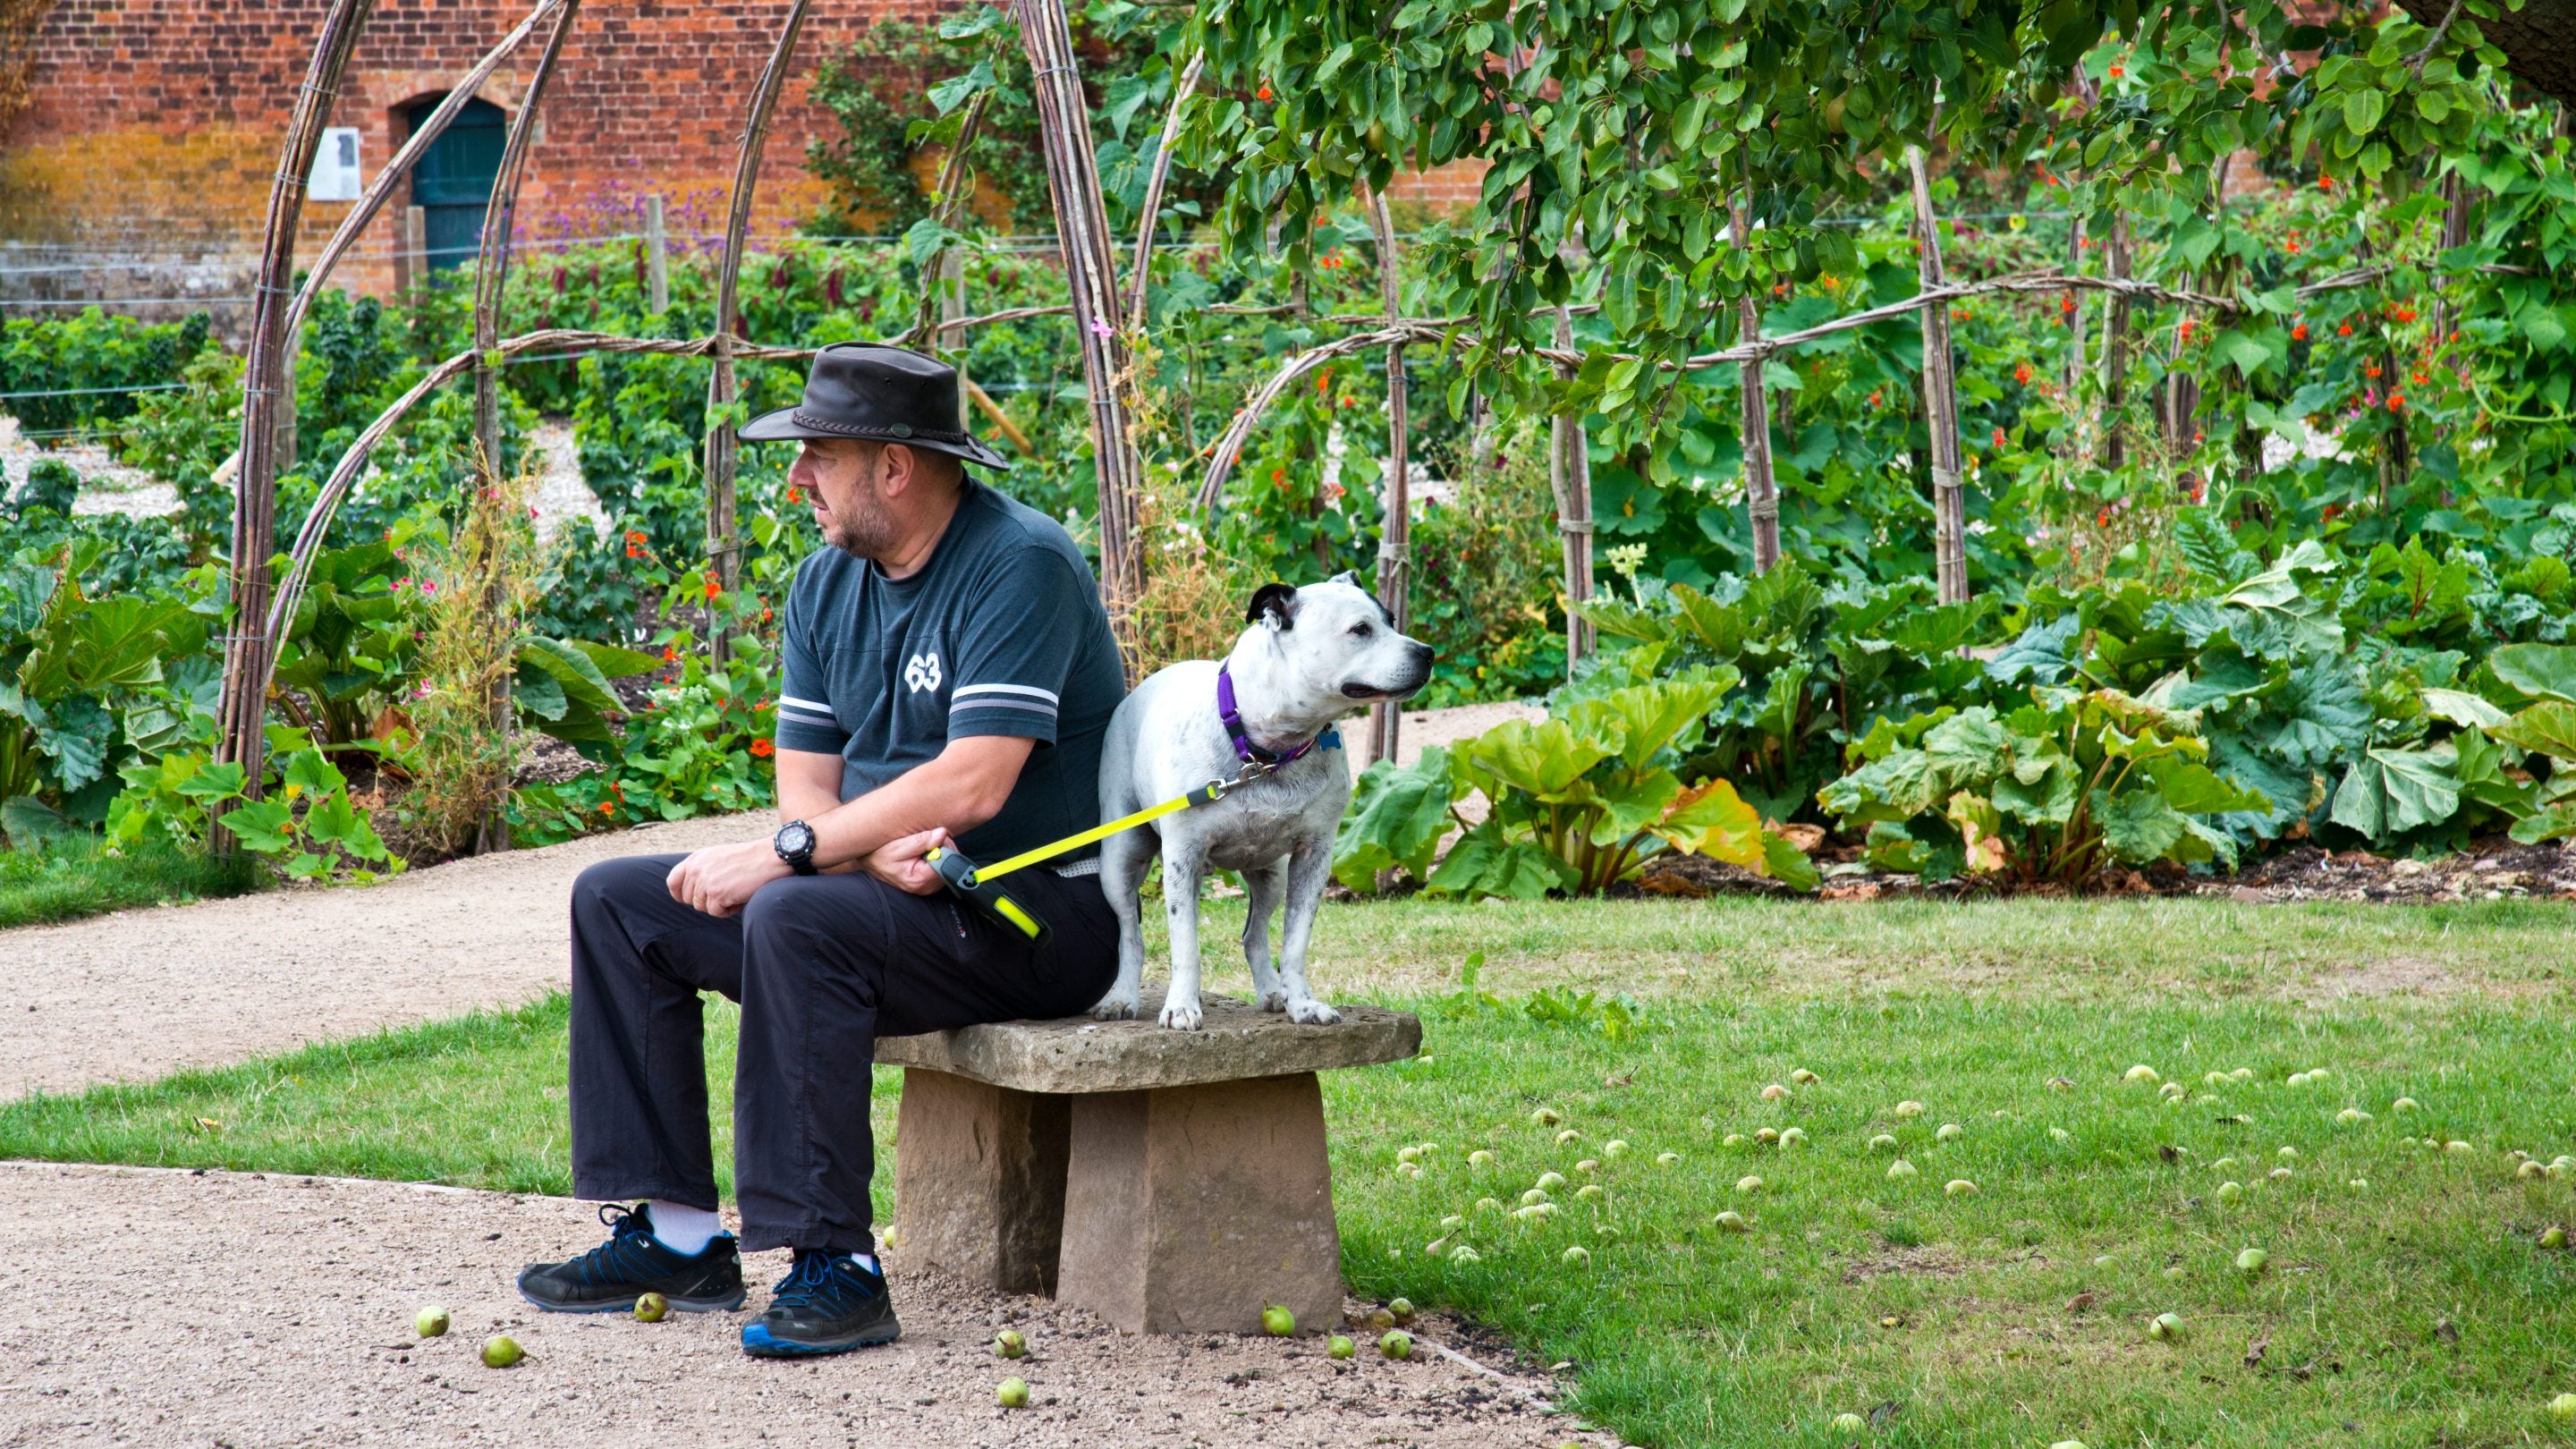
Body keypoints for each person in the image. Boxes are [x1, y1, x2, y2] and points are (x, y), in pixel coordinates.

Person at [514, 343, 1126, 1358]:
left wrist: (797, 856)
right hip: (887, 899)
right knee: (618, 901)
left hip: (1035, 914)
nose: (797, 476)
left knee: (792, 913)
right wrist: (846, 848)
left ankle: (834, 1264)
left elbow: (975, 783)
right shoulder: (825, 582)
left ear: (893, 466)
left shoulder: (1020, 563)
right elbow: (806, 784)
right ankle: (677, 1238)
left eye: (819, 454)